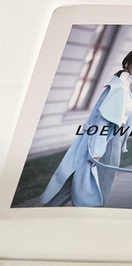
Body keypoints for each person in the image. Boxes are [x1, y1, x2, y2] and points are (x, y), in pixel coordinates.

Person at [40, 51, 132, 207]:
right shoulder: (119, 89)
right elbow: (103, 123)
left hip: (105, 140)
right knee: (98, 188)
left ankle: (48, 209)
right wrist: (96, 153)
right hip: (107, 144)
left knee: (78, 178)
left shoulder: (125, 88)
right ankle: (88, 214)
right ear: (126, 64)